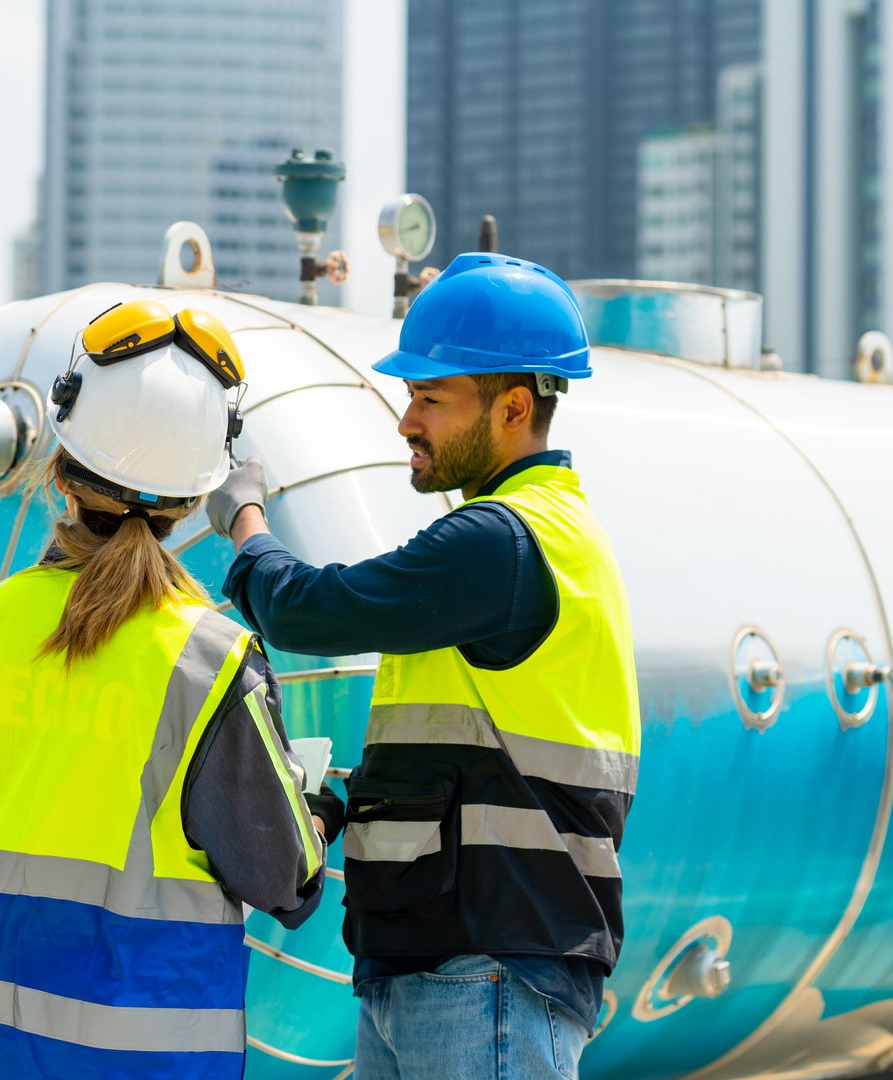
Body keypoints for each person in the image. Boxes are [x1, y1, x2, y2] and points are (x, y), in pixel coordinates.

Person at [0, 299, 338, 1080]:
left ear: (60, 465)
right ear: (194, 500)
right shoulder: (211, 659)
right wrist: (321, 811)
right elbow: (284, 876)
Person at [206, 252, 641, 1080]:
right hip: (441, 961)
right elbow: (465, 753)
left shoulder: (501, 541)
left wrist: (245, 521)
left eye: (430, 399)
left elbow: (308, 610)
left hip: (486, 969)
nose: (406, 420)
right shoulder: (525, 538)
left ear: (513, 407)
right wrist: (348, 804)